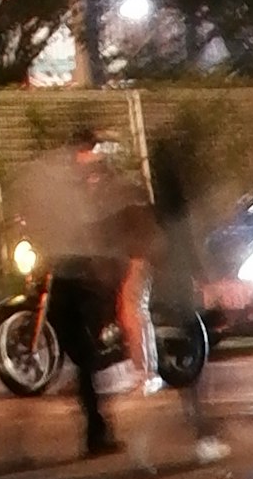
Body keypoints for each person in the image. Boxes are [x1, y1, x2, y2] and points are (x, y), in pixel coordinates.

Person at [15, 131, 151, 462]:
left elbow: (104, 223)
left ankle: (99, 419)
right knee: (82, 353)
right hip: (71, 271)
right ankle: (95, 423)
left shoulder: (102, 184)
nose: (82, 159)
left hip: (87, 271)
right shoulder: (66, 187)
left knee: (88, 348)